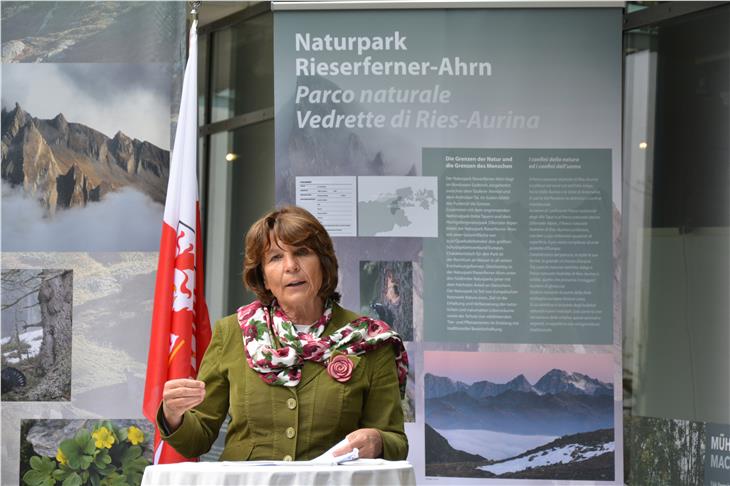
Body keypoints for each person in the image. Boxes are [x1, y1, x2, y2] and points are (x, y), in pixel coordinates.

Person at [157, 206, 409, 461]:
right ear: (264, 277)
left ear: (323, 263)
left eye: (302, 252)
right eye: (275, 257)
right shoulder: (232, 333)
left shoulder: (370, 339)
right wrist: (173, 414)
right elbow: (197, 439)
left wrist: (377, 441)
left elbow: (395, 440)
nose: (291, 266)